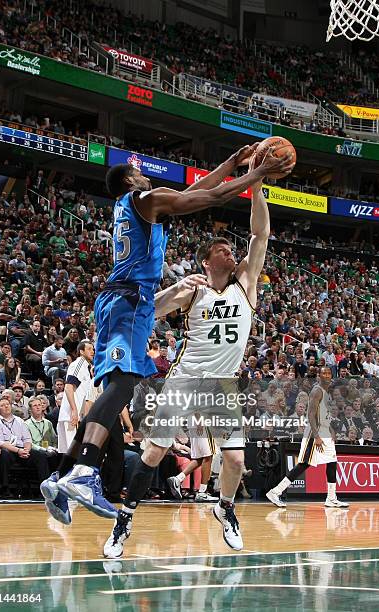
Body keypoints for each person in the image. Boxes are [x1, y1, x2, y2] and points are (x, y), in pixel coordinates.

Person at [41, 145, 294, 524]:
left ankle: (61, 473)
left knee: (121, 386)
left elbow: (196, 192)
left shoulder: (137, 206)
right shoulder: (143, 198)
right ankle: (83, 472)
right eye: (140, 172)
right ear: (131, 181)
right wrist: (257, 175)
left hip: (132, 303)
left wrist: (231, 162)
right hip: (131, 302)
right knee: (124, 386)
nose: (147, 176)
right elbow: (209, 196)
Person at [103, 158, 280, 558]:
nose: (229, 252)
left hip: (223, 382)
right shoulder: (193, 290)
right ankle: (124, 519)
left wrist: (258, 186)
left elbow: (260, 235)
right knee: (154, 451)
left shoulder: (246, 286)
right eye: (221, 249)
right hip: (186, 377)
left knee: (235, 458)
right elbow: (152, 311)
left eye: (230, 249)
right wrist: (177, 287)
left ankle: (227, 509)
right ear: (206, 260)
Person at [266, 367, 349, 509]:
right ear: (319, 376)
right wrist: (316, 436)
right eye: (324, 373)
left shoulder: (326, 393)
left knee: (332, 462)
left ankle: (331, 498)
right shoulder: (316, 391)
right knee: (304, 463)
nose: (327, 375)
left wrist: (330, 431)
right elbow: (310, 414)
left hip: (325, 432)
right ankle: (275, 492)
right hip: (314, 433)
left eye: (329, 373)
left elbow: (323, 416)